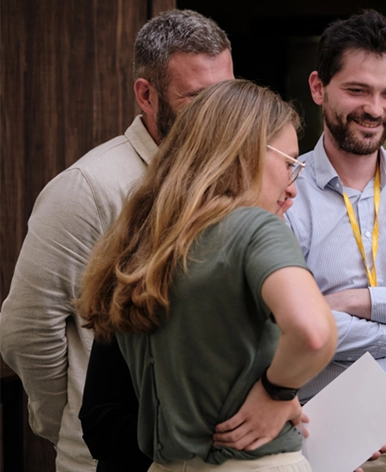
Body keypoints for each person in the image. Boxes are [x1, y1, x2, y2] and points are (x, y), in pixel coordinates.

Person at [0, 9, 233, 472]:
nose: (218, 116)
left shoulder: (233, 181)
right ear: (146, 95)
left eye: (226, 96)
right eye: (197, 99)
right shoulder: (87, 188)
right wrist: (66, 423)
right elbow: (27, 330)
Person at [76, 79, 337, 471]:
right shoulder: (255, 227)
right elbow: (315, 333)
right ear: (243, 152)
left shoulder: (138, 243)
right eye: (289, 164)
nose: (292, 188)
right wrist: (276, 391)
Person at [280, 10, 386, 471]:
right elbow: (291, 328)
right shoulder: (284, 192)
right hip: (328, 448)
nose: (375, 109)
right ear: (319, 88)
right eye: (357, 90)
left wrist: (353, 302)